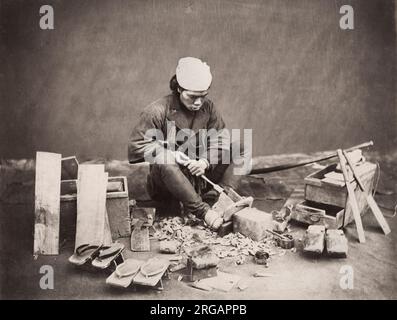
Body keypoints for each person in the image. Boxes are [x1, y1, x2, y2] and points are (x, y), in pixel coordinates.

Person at [128, 57, 249, 230]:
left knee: (241, 147)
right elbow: (136, 146)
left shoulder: (208, 107)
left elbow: (221, 139)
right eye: (192, 97)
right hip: (169, 184)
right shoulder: (157, 110)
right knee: (164, 159)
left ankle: (219, 197)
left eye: (203, 96)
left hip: (201, 178)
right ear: (178, 88)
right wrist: (171, 154)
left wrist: (205, 162)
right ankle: (203, 212)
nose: (198, 103)